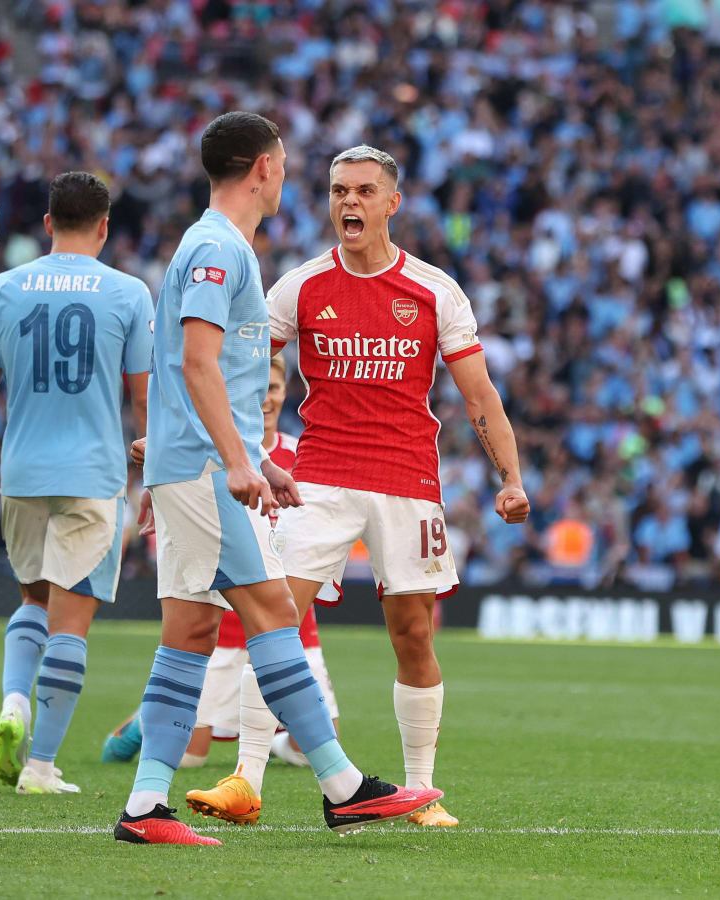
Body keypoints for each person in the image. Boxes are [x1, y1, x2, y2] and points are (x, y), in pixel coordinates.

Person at [113, 113, 439, 847]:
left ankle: (144, 807)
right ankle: (343, 786)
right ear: (261, 167)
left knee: (191, 632)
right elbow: (196, 363)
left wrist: (256, 459)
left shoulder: (219, 247)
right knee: (269, 613)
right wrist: (235, 460)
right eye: (286, 165)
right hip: (201, 471)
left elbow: (202, 376)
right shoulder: (217, 249)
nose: (290, 178)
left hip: (191, 464)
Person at [185, 145, 531, 831]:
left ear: (391, 204)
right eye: (340, 190)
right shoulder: (300, 286)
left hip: (407, 482)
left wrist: (511, 477)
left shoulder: (434, 290)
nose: (350, 202)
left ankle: (422, 793)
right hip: (320, 479)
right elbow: (244, 360)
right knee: (276, 621)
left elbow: (479, 396)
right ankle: (245, 778)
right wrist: (245, 446)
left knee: (412, 635)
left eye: (365, 191)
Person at [0, 172, 153, 795]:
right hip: (92, 476)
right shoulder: (127, 293)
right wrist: (152, 480)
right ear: (103, 227)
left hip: (22, 474)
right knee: (72, 624)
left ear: (46, 224)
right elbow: (144, 399)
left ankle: (15, 699)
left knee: (32, 603)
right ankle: (40, 766)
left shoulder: (4, 290)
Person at [102, 354, 342, 784]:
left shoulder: (306, 456)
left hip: (292, 627)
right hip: (225, 632)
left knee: (315, 747)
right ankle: (140, 723)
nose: (265, 399)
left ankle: (271, 739)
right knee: (191, 758)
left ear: (286, 392)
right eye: (258, 388)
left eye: (273, 388)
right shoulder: (216, 457)